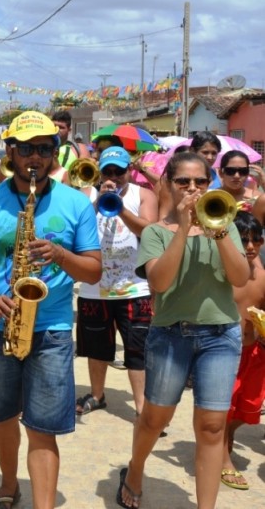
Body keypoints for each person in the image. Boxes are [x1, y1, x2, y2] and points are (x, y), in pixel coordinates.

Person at [0, 111, 102, 509]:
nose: (34, 157)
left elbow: (93, 270)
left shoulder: (76, 204)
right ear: (11, 152)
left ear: (55, 152)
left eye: (43, 149)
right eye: (25, 149)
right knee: (2, 419)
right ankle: (9, 485)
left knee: (42, 427)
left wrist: (58, 253)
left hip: (52, 328)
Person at [117, 151, 248, 509]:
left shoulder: (228, 225)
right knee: (155, 417)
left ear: (211, 185)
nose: (193, 188)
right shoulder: (156, 233)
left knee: (211, 427)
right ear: (168, 186)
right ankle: (136, 468)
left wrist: (217, 232)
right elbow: (159, 281)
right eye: (183, 182)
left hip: (220, 336)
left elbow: (240, 278)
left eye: (201, 182)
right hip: (171, 335)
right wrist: (184, 230)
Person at [74, 146, 157, 420]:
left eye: (118, 171)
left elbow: (149, 232)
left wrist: (119, 208)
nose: (113, 177)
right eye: (107, 171)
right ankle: (97, 395)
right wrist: (100, 202)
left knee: (137, 349)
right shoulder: (87, 195)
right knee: (97, 348)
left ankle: (142, 407)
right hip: (95, 288)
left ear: (129, 171)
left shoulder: (143, 195)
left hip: (134, 287)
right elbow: (75, 227)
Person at [221, 211, 265, 491]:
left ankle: (225, 436)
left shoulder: (262, 276)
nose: (250, 246)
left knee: (249, 407)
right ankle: (223, 455)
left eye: (256, 240)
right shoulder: (221, 273)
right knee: (221, 410)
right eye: (244, 240)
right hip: (224, 351)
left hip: (255, 352)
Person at [158, 131, 222, 219]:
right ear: (192, 151)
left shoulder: (217, 174)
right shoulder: (172, 179)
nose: (210, 157)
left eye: (214, 153)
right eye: (205, 152)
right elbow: (163, 216)